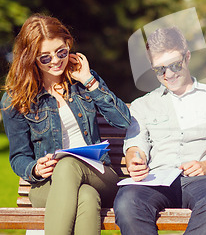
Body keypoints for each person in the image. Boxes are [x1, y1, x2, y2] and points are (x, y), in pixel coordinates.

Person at [1, 14, 131, 235]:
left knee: (68, 165)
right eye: (45, 57)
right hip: (47, 185)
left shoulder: (83, 81)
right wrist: (34, 168)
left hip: (99, 174)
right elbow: (18, 156)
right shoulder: (17, 99)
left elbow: (123, 120)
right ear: (30, 57)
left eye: (61, 52)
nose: (56, 60)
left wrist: (89, 80)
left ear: (69, 45)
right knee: (87, 197)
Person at [113, 27, 206, 235]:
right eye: (159, 69)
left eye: (174, 65)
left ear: (187, 57)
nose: (168, 74)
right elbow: (136, 144)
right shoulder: (143, 105)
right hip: (156, 179)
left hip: (202, 180)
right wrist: (135, 158)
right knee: (126, 202)